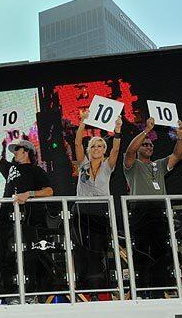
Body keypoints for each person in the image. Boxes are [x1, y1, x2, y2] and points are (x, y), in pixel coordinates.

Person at [0, 117, 54, 293]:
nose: (14, 151)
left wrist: (29, 194)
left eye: (17, 149)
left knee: (29, 258)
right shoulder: (10, 168)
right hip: (6, 219)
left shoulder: (36, 170)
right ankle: (11, 294)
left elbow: (49, 191)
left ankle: (31, 293)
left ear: (27, 152)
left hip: (29, 221)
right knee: (5, 257)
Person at [123, 117, 182, 291]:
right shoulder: (132, 164)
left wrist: (180, 136)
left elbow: (177, 155)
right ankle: (143, 290)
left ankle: (161, 288)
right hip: (140, 210)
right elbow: (129, 151)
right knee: (142, 250)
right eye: (145, 144)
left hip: (159, 210)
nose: (149, 146)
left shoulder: (159, 164)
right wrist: (146, 131)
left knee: (161, 249)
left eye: (151, 145)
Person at [73, 110, 122, 290]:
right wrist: (83, 122)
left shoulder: (108, 165)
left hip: (100, 210)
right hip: (81, 209)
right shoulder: (83, 164)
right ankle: (82, 283)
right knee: (81, 247)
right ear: (89, 149)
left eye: (100, 146)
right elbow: (77, 142)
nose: (96, 149)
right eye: (93, 146)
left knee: (97, 247)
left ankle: (98, 285)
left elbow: (116, 149)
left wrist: (117, 130)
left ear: (104, 150)